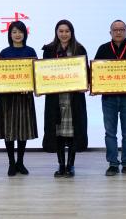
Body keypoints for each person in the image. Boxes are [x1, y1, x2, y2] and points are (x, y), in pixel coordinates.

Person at [94, 19, 126, 176]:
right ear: (110, 32)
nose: (118, 32)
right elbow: (95, 72)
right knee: (110, 133)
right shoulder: (103, 49)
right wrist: (95, 86)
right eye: (115, 30)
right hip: (109, 98)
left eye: (121, 29)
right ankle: (113, 164)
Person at [41, 20, 89, 178]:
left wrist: (86, 83)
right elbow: (42, 73)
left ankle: (71, 165)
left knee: (73, 132)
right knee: (58, 132)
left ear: (71, 32)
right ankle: (61, 165)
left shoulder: (79, 49)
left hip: (73, 98)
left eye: (67, 31)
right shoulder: (49, 50)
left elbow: (86, 72)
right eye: (61, 31)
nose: (64, 34)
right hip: (55, 98)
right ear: (56, 32)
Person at [0, 20, 39, 177]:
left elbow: (36, 74)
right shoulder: (4, 53)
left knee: (23, 129)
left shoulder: (30, 51)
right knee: (8, 130)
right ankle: (11, 163)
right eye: (14, 32)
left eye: (20, 31)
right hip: (7, 97)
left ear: (25, 34)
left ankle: (20, 162)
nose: (17, 34)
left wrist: (32, 86)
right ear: (10, 35)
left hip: (24, 96)